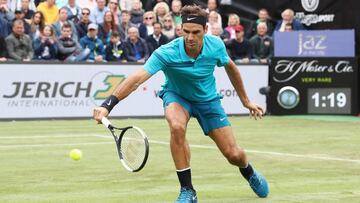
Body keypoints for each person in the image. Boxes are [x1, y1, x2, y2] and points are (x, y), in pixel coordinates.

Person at [93, 5, 269, 203]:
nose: (190, 37)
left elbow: (232, 68)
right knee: (176, 126)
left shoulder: (216, 46)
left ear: (205, 30)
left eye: (195, 32)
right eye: (186, 32)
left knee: (233, 154)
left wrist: (246, 101)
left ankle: (249, 172)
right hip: (177, 96)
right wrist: (107, 105)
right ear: (180, 30)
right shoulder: (167, 52)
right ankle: (187, 190)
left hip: (207, 100)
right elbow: (136, 79)